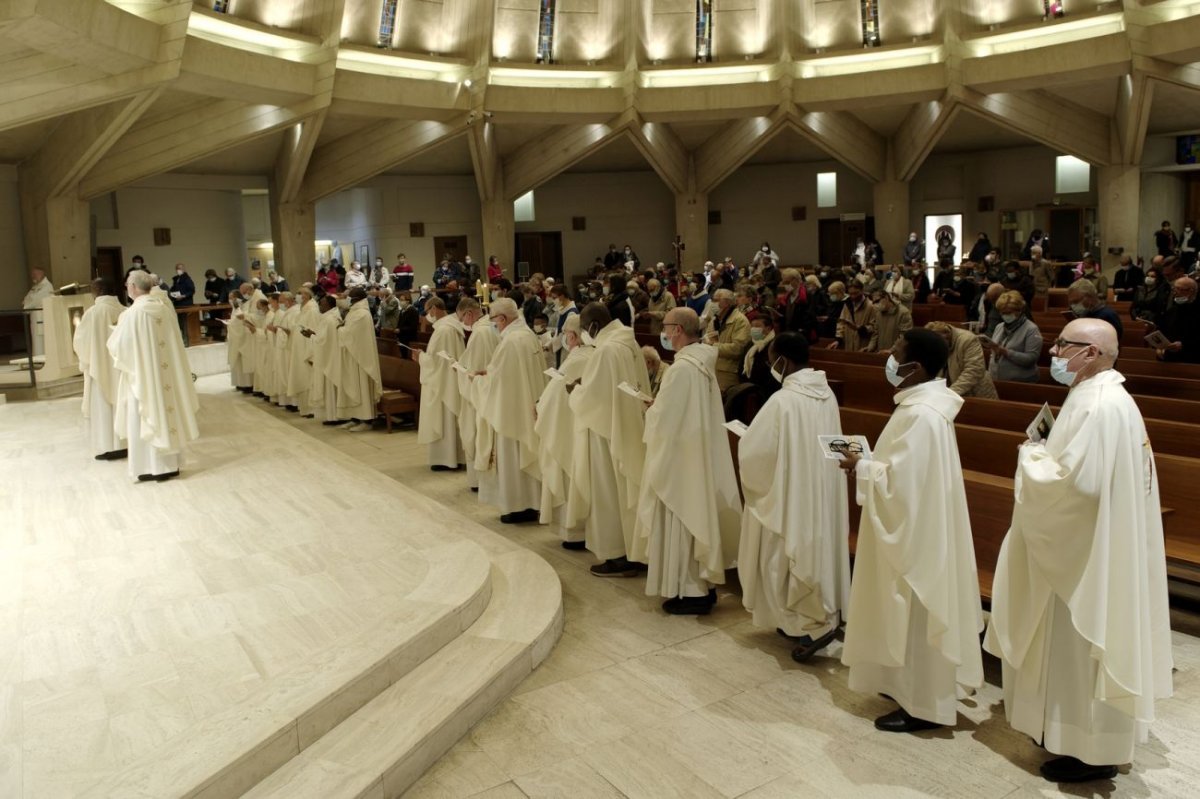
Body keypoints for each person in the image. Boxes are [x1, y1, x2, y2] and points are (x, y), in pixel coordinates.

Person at [984, 319, 1173, 783]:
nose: (1054, 352)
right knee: (1070, 655)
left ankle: (1090, 749)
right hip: (1089, 546)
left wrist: (1031, 455)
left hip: (1086, 558)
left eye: (1062, 345)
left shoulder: (1100, 405)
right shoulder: (1097, 395)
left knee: (1079, 650)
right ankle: (1068, 735)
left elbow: (1078, 487)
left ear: (1090, 353)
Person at [839, 328, 983, 732]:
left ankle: (923, 704)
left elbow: (904, 487)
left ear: (914, 367)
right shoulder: (920, 406)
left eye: (895, 351)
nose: (888, 356)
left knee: (916, 612)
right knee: (903, 614)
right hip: (918, 530)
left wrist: (860, 466)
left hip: (917, 539)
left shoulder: (922, 415)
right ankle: (906, 687)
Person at [737, 331, 850, 658]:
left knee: (781, 556)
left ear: (782, 360)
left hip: (789, 492)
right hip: (819, 488)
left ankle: (805, 624)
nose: (770, 363)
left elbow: (756, 451)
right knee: (811, 550)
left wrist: (744, 439)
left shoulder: (782, 400)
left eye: (771, 358)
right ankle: (808, 617)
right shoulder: (825, 392)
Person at [630, 307, 742, 615]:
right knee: (694, 514)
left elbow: (666, 420)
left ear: (678, 329)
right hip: (695, 453)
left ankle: (691, 591)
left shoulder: (681, 369)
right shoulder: (701, 364)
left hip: (680, 460)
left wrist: (650, 411)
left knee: (683, 516)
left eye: (665, 327)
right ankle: (700, 587)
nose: (663, 332)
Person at [567, 303, 652, 574]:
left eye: (584, 330)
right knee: (626, 490)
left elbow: (594, 399)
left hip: (607, 434)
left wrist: (575, 390)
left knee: (609, 493)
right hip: (629, 427)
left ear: (592, 326)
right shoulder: (628, 342)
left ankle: (617, 554)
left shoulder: (606, 350)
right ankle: (634, 550)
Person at [107, 270, 200, 482]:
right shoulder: (164, 308)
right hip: (165, 375)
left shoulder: (133, 314)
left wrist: (113, 336)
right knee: (167, 412)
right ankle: (170, 465)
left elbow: (119, 346)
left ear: (132, 286)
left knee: (147, 414)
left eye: (127, 285)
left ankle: (152, 467)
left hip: (144, 377)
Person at [474, 298, 546, 524]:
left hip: (511, 410)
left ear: (503, 319)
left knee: (513, 456)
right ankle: (532, 503)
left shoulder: (511, 342)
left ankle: (518, 506)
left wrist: (477, 380)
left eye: (494, 320)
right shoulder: (527, 336)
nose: (494, 325)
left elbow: (498, 383)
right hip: (527, 405)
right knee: (526, 452)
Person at [535, 314, 594, 549]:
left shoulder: (577, 358)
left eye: (566, 335)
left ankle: (575, 531)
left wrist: (540, 405)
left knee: (571, 476)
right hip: (578, 425)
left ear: (572, 336)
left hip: (567, 426)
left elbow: (558, 394)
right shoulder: (590, 355)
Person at [72, 278, 127, 460]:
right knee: (122, 403)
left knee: (103, 406)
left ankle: (109, 447)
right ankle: (125, 443)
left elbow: (81, 341)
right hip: (121, 369)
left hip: (99, 367)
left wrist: (85, 360)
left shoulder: (93, 313)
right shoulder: (124, 310)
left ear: (97, 292)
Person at [418, 296, 469, 469]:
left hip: (443, 382)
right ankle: (454, 458)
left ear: (434, 308)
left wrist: (420, 358)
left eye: (427, 311)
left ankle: (446, 459)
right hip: (449, 380)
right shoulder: (450, 327)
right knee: (450, 420)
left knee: (444, 418)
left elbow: (435, 362)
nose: (427, 315)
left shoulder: (443, 330)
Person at [456, 299, 499, 494]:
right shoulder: (487, 328)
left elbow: (477, 369)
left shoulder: (480, 333)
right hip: (489, 390)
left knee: (477, 434)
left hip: (479, 395)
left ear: (469, 314)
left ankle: (479, 481)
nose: (462, 322)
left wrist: (460, 370)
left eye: (462, 317)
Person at [335, 288, 382, 432]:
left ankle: (366, 420)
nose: (346, 299)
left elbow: (351, 334)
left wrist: (340, 329)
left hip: (361, 358)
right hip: (352, 354)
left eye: (348, 296)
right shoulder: (354, 312)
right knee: (353, 385)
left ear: (355, 298)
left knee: (361, 386)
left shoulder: (362, 314)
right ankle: (355, 417)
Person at [926, 321, 999, 398]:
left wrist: (950, 393)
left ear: (946, 337)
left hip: (976, 391)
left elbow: (974, 370)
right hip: (950, 391)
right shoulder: (932, 341)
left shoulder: (968, 339)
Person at [984, 291, 1043, 383]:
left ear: (1019, 311)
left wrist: (1005, 352)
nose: (1005, 316)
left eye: (1008, 312)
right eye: (1002, 313)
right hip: (996, 380)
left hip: (1021, 382)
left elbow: (1031, 359)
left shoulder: (1031, 329)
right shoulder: (999, 327)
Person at [308, 294, 345, 425]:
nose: (319, 306)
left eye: (322, 304)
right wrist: (313, 335)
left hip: (331, 358)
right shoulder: (328, 318)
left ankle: (336, 417)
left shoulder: (330, 319)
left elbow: (323, 341)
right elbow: (323, 338)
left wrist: (311, 336)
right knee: (329, 388)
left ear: (329, 305)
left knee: (332, 388)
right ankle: (331, 415)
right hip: (328, 356)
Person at [705, 288, 752, 393]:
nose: (713, 303)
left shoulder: (740, 320)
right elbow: (707, 340)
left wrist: (713, 346)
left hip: (728, 373)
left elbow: (738, 349)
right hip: (711, 368)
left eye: (716, 300)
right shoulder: (714, 320)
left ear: (727, 303)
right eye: (713, 300)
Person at [287, 288, 321, 417]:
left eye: (300, 293)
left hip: (307, 350)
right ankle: (304, 408)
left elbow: (313, 330)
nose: (297, 296)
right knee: (301, 377)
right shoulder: (303, 309)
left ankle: (311, 409)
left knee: (308, 378)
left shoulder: (312, 310)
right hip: (299, 349)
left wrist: (311, 353)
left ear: (306, 295)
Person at [1156, 277, 1199, 363]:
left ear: (1190, 291)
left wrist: (1183, 344)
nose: (1174, 292)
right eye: (1174, 288)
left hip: (1192, 358)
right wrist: (1159, 347)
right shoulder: (1171, 311)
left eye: (1179, 289)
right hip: (1169, 357)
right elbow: (1162, 331)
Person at [832, 283, 877, 352]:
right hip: (848, 344)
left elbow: (874, 327)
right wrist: (838, 339)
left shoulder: (871, 306)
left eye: (856, 293)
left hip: (862, 345)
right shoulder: (847, 304)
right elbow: (841, 322)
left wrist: (860, 328)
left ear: (862, 290)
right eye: (851, 294)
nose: (853, 296)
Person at [22, 267, 55, 356]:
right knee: (36, 341)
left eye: (34, 274)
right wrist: (28, 302)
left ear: (41, 274)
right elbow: (26, 298)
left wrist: (27, 303)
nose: (32, 276)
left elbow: (36, 299)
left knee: (42, 341)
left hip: (42, 318)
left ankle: (42, 359)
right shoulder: (36, 287)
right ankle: (37, 359)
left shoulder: (47, 286)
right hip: (34, 317)